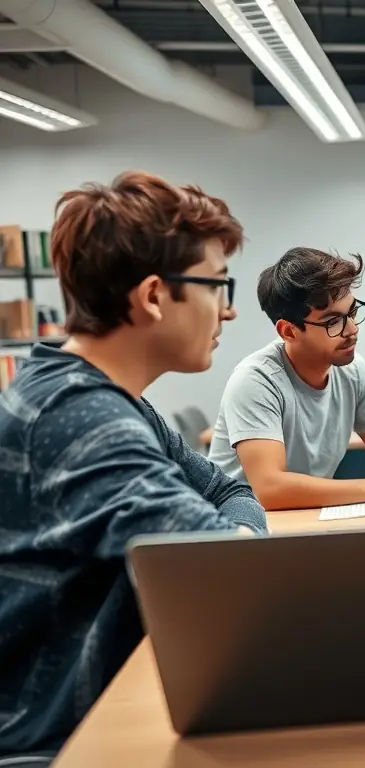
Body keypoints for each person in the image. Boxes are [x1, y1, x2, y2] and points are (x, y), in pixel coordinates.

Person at [0, 172, 268, 760]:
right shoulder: (79, 418)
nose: (227, 311)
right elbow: (234, 578)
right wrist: (244, 543)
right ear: (152, 296)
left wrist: (239, 536)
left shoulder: (110, 400)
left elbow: (227, 489)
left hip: (106, 707)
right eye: (218, 287)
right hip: (54, 746)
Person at [207, 247, 365, 510]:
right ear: (289, 331)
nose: (352, 330)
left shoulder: (352, 370)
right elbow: (270, 489)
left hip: (303, 522)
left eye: (352, 313)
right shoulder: (256, 381)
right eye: (333, 322)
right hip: (241, 530)